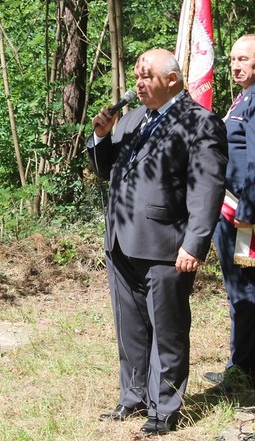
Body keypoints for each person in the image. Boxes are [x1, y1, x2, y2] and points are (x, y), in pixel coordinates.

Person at [88, 49, 227, 434]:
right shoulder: (132, 119)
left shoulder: (199, 122)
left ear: (172, 79)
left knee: (167, 329)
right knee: (130, 326)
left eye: (147, 76)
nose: (138, 83)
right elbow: (105, 170)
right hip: (121, 239)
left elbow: (208, 188)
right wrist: (101, 137)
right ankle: (133, 397)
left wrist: (194, 243)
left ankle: (163, 408)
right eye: (137, 76)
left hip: (166, 244)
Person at [206, 34, 255, 394]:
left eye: (244, 59)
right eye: (233, 59)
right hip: (236, 212)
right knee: (242, 287)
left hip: (243, 218)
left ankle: (243, 369)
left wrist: (249, 211)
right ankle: (242, 364)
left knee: (243, 288)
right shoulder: (243, 98)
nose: (236, 66)